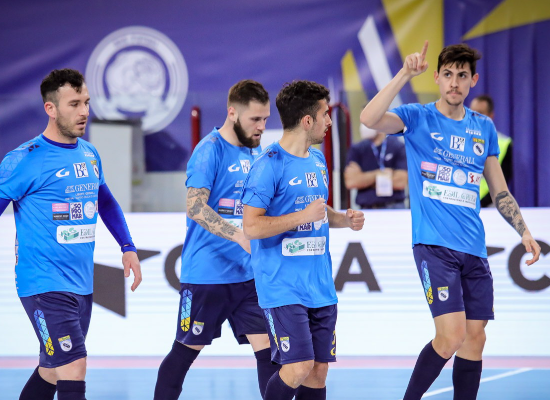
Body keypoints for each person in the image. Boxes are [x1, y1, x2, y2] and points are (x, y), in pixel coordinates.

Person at [360, 42, 541, 400]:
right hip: (434, 246)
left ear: (473, 80)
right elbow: (369, 118)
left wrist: (524, 231)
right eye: (447, 74)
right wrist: (404, 74)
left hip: (473, 248)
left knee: (475, 339)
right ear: (437, 78)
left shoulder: (483, 127)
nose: (454, 82)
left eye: (462, 75)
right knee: (451, 336)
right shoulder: (417, 117)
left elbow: (500, 190)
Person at [0, 69, 142, 400]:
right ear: (50, 108)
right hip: (43, 284)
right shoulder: (24, 160)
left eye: (86, 102)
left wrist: (128, 246)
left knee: (52, 370)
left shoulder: (89, 154)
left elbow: (106, 202)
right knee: (74, 367)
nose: (84, 111)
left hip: (80, 284)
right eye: (74, 104)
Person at [153, 80, 279, 400]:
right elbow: (195, 207)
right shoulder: (209, 150)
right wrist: (238, 235)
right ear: (232, 113)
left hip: (248, 274)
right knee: (185, 351)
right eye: (255, 119)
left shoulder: (256, 151)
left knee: (268, 350)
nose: (262, 127)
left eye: (265, 119)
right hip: (207, 276)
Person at [241, 80, 365, 400]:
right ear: (307, 120)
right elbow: (251, 226)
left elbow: (318, 211)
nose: (329, 121)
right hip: (282, 286)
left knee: (318, 372)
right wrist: (301, 217)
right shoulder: (268, 165)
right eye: (325, 114)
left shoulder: (318, 160)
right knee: (298, 367)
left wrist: (343, 220)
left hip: (319, 285)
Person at [344, 124, 408, 209]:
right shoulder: (357, 149)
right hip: (367, 208)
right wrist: (379, 174)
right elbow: (351, 182)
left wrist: (364, 180)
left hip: (394, 207)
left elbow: (400, 182)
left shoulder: (398, 147)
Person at [469, 94, 513, 207]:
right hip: (461, 204)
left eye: (480, 113)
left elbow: (502, 182)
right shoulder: (459, 139)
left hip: (489, 207)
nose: (475, 117)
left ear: (490, 116)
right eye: (472, 112)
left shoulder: (503, 143)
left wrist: (479, 204)